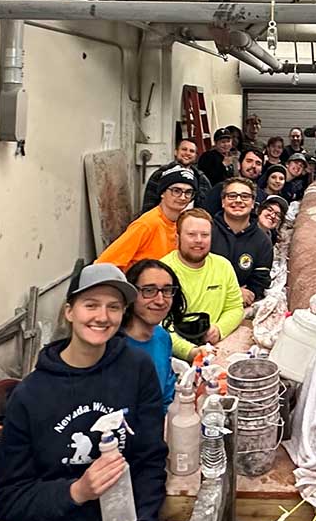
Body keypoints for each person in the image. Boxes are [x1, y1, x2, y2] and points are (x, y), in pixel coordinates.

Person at [0, 262, 166, 521]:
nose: (102, 317)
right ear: (69, 311)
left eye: (113, 307)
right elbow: (7, 501)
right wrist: (77, 491)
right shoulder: (32, 396)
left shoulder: (135, 369)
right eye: (91, 304)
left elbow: (149, 462)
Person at [161, 209, 244, 360]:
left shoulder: (223, 266)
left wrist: (219, 329)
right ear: (177, 237)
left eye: (205, 235)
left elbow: (235, 307)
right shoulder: (162, 271)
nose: (199, 240)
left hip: (214, 346)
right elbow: (158, 324)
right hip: (173, 351)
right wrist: (189, 351)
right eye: (191, 234)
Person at [97, 165, 197, 271]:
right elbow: (104, 263)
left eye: (188, 192)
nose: (182, 197)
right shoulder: (147, 224)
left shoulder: (179, 224)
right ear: (162, 193)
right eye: (176, 191)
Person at [124, 259, 187, 414]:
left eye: (167, 290)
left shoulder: (162, 337)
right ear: (131, 294)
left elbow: (166, 397)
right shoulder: (114, 347)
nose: (160, 301)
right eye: (149, 290)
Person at [210, 177, 274, 307]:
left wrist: (249, 293)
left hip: (242, 305)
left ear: (253, 203)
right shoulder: (206, 231)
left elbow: (260, 280)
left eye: (245, 196)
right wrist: (232, 292)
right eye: (232, 196)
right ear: (223, 202)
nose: (238, 200)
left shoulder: (263, 241)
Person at [141, 137, 211, 212]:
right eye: (184, 149)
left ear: (195, 156)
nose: (187, 153)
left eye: (192, 151)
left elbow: (207, 208)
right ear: (175, 152)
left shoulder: (202, 179)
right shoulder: (160, 174)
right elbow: (148, 205)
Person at [203, 147, 264, 214]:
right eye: (249, 161)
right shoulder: (221, 188)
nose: (253, 166)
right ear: (239, 165)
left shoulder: (263, 196)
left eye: (258, 163)